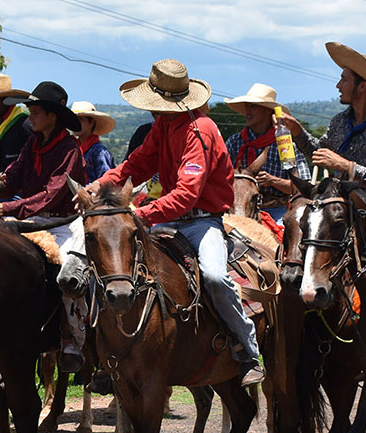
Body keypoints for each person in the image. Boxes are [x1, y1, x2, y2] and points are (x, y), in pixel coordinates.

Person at [86, 59, 265, 386]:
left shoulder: (200, 131)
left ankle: (246, 348)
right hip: (167, 219)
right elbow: (137, 164)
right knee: (116, 267)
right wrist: (101, 184)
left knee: (214, 276)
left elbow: (186, 195)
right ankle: (111, 353)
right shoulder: (164, 125)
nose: (151, 110)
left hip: (201, 223)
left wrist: (140, 215)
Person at [0, 81, 88, 373]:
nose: (29, 117)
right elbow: (17, 172)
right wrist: (2, 181)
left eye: (35, 113)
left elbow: (53, 194)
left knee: (68, 274)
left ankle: (71, 339)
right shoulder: (33, 142)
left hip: (64, 223)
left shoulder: (69, 149)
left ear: (51, 116)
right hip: (33, 220)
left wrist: (8, 208)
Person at [279, 42, 366, 203]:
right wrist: (297, 131)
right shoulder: (340, 122)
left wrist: (348, 166)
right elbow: (320, 153)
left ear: (362, 86)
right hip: (339, 207)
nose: (338, 85)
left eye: (344, 80)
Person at [223, 83, 310, 221]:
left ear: (267, 111)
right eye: (246, 106)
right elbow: (221, 177)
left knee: (286, 232)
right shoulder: (235, 142)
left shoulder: (285, 145)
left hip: (276, 210)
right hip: (238, 207)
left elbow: (301, 186)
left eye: (253, 106)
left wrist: (272, 181)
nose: (247, 111)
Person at [70, 101, 117, 184]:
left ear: (91, 122)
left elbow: (105, 181)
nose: (75, 123)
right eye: (73, 119)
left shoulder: (99, 152)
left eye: (80, 119)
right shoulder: (74, 149)